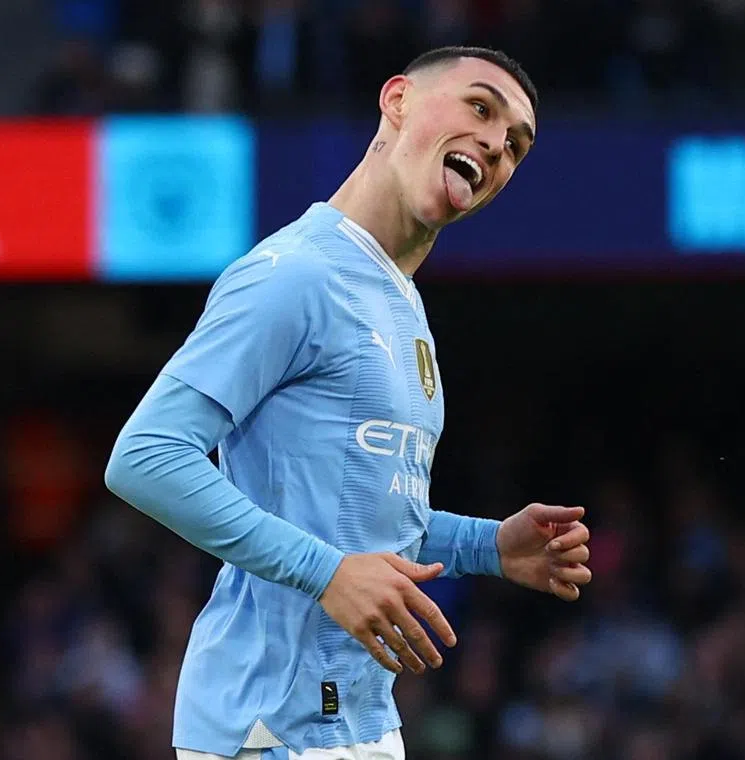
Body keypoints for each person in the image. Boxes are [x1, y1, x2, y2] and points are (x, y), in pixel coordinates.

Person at [104, 46, 592, 760]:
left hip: (361, 723)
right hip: (268, 728)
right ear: (396, 101)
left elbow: (357, 516)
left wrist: (488, 547)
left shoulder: (402, 304)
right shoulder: (294, 274)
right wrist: (324, 573)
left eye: (516, 144)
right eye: (479, 108)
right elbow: (144, 458)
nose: (496, 144)